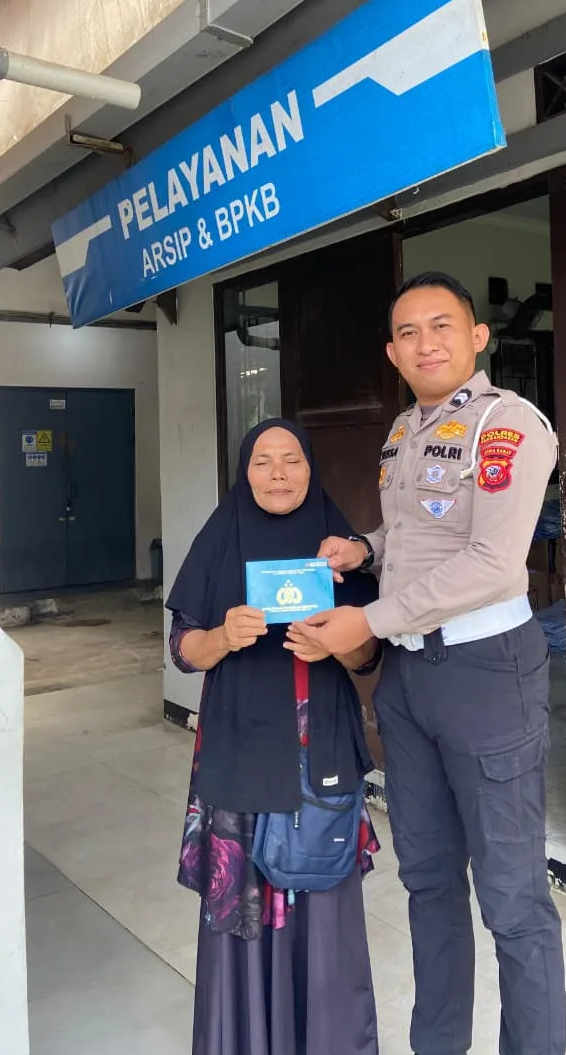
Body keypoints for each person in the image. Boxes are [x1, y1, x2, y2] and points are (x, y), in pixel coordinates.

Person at [297, 272, 566, 1055]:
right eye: (408, 333)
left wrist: (368, 619)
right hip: (410, 679)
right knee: (429, 881)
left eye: (442, 325)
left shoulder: (507, 425)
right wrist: (364, 549)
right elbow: (416, 534)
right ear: (393, 352)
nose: (426, 343)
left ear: (478, 336)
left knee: (512, 900)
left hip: (486, 674)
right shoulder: (403, 431)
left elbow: (491, 562)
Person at [166, 418, 382, 1055]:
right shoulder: (221, 535)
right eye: (263, 461)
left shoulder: (336, 548)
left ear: (311, 468)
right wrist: (221, 637)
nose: (279, 473)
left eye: (292, 460)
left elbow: (369, 657)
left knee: (321, 896)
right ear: (245, 471)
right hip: (239, 748)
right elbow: (182, 649)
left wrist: (337, 643)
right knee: (245, 907)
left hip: (320, 752)